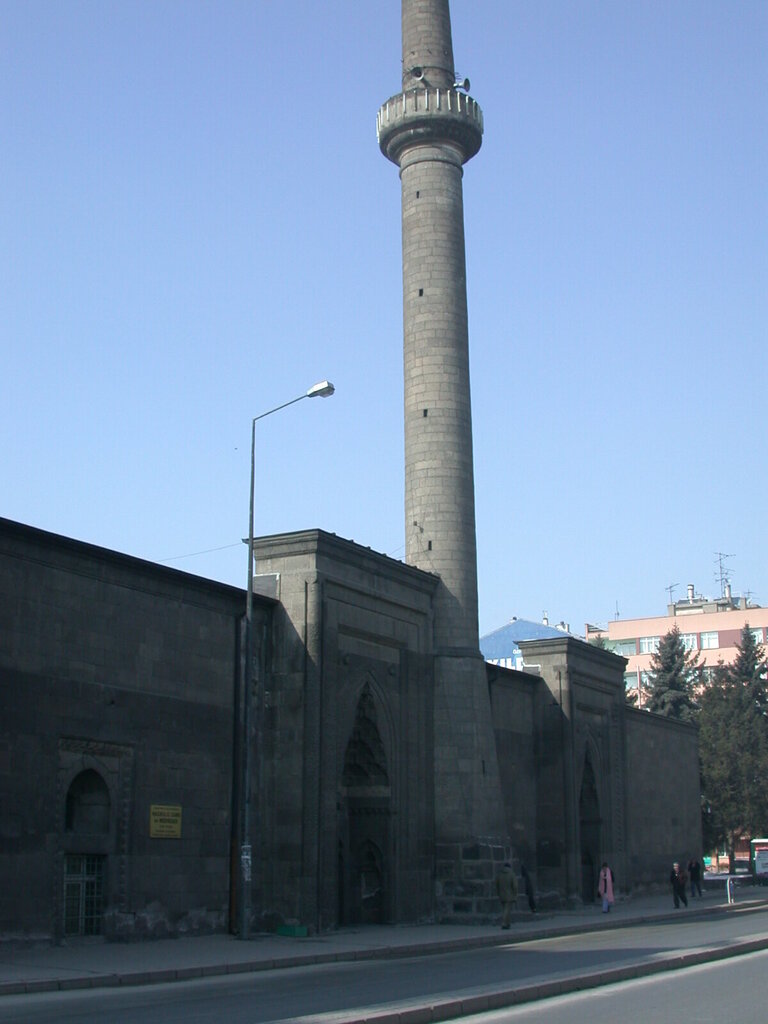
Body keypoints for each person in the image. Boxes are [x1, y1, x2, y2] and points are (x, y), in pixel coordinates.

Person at [496, 861, 518, 929]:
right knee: (507, 910)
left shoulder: (500, 874)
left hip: (501, 894)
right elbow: (515, 886)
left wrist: (498, 893)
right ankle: (504, 923)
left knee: (504, 909)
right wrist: (515, 893)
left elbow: (497, 884)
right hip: (509, 894)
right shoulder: (512, 874)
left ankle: (508, 923)